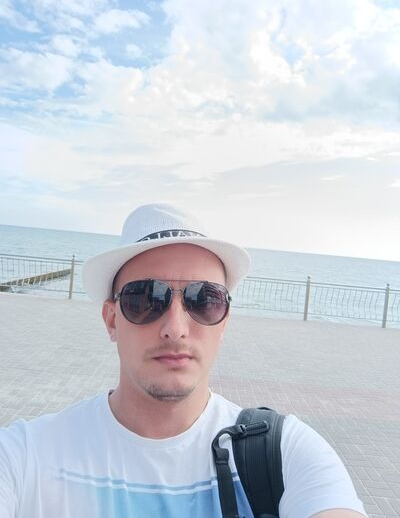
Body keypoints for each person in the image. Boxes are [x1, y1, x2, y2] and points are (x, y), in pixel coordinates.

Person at [0, 203, 367, 518]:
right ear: (112, 320)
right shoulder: (26, 456)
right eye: (145, 299)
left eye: (204, 300)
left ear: (224, 321)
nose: (175, 329)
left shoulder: (286, 453)